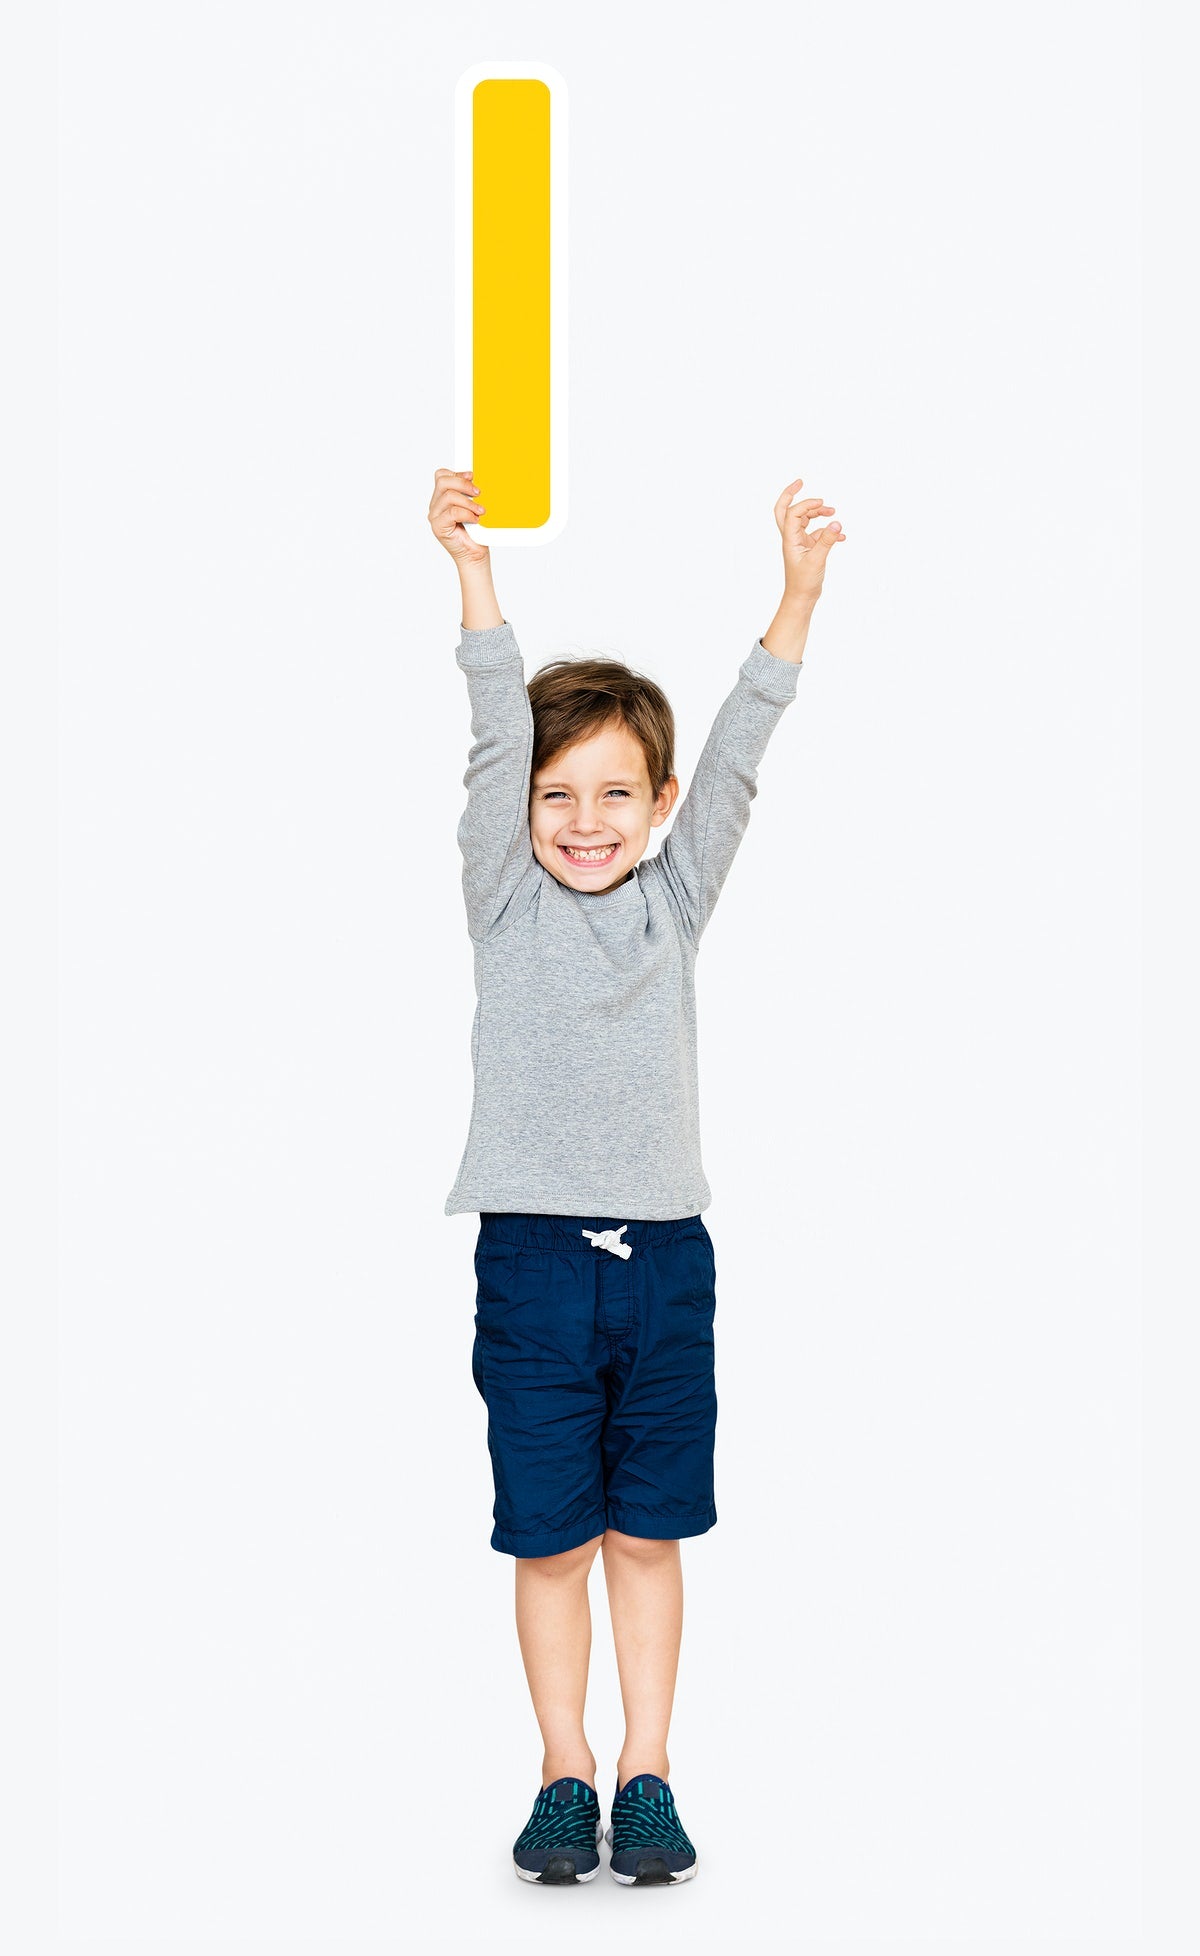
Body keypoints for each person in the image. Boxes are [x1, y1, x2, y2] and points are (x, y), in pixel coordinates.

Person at [428, 465, 845, 1887]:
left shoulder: (675, 894)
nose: (587, 819)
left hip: (666, 1266)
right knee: (552, 1544)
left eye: (618, 793)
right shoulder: (501, 892)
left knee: (647, 1537)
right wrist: (478, 579)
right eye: (561, 794)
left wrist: (793, 597)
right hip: (534, 1269)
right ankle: (564, 1773)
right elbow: (492, 741)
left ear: (659, 805)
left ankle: (649, 1770)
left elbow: (737, 755)